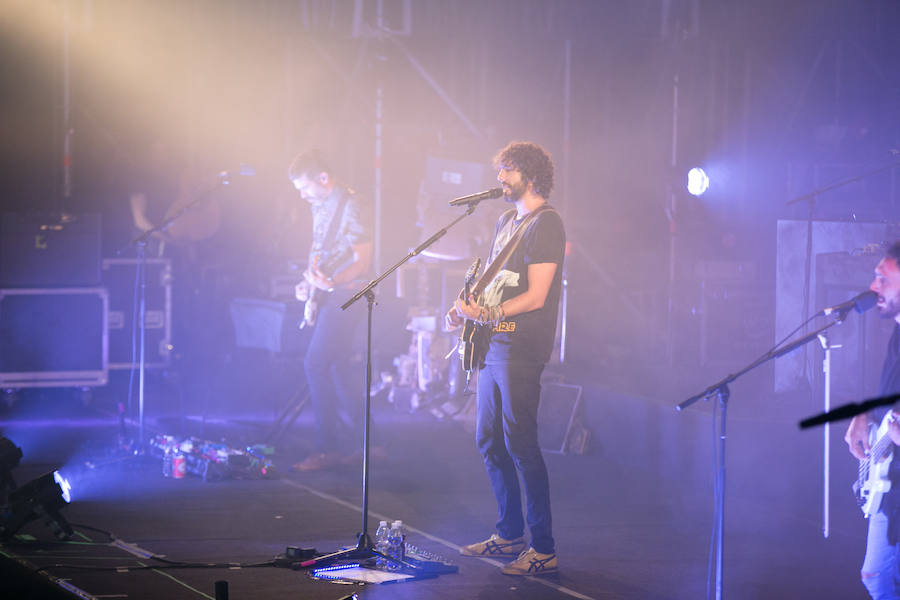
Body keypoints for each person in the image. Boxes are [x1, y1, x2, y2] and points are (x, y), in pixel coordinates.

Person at [444, 141, 565, 576]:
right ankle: (509, 534)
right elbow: (496, 282)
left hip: (521, 346)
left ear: (530, 176)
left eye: (507, 170)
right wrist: (466, 311)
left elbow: (536, 295)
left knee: (521, 444)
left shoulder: (546, 224)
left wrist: (491, 314)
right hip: (493, 345)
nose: (499, 178)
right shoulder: (503, 221)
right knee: (488, 440)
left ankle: (544, 547)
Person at [287, 151, 374, 472]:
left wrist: (330, 283)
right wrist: (308, 283)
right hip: (329, 290)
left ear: (323, 178)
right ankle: (372, 444)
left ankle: (328, 448)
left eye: (304, 186)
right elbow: (321, 247)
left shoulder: (354, 204)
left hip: (348, 293)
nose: (301, 194)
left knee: (315, 362)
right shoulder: (319, 206)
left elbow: (362, 261)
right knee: (337, 366)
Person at [845, 241, 900, 599]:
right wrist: (864, 415)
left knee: (877, 576)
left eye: (883, 279)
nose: (873, 286)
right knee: (875, 576)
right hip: (890, 478)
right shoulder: (897, 334)